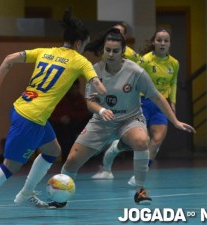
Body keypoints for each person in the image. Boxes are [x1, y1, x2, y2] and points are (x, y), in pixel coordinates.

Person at [0, 7, 106, 219]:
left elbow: (10, 58)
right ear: (77, 43)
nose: (83, 49)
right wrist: (103, 91)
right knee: (11, 166)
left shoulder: (44, 52)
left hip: (22, 109)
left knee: (52, 151)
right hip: (31, 118)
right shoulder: (79, 60)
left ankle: (26, 193)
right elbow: (96, 83)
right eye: (84, 44)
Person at [60, 28, 195, 206]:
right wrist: (101, 110)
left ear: (123, 52)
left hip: (129, 119)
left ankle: (140, 190)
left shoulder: (136, 71)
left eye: (115, 51)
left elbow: (157, 96)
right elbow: (89, 102)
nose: (110, 54)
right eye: (107, 50)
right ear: (103, 50)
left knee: (141, 140)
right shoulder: (94, 70)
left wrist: (175, 121)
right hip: (102, 121)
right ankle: (60, 196)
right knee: (71, 160)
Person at [91, 28, 180, 185]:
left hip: (161, 104)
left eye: (166, 40)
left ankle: (140, 174)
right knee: (140, 141)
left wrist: (172, 101)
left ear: (170, 44)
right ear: (154, 42)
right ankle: (113, 151)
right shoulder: (145, 60)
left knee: (157, 139)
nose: (162, 43)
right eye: (159, 40)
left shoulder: (174, 63)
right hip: (143, 102)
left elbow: (173, 82)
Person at [49, 79, 92, 162]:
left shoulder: (78, 97)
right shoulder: (61, 98)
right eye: (73, 89)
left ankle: (91, 155)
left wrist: (71, 115)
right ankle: (67, 158)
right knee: (66, 130)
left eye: (77, 88)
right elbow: (52, 116)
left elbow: (84, 112)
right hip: (60, 126)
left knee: (91, 119)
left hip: (74, 123)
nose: (75, 91)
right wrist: (61, 119)